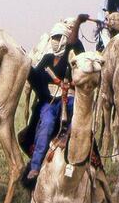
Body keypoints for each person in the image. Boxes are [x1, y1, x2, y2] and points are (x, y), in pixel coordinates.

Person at [26, 14, 90, 180]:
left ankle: (68, 140)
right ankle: (35, 166)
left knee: (76, 114)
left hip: (68, 98)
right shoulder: (47, 58)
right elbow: (36, 77)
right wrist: (25, 64)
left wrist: (77, 23)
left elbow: (73, 42)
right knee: (46, 123)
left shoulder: (71, 55)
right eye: (53, 37)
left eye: (58, 37)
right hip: (50, 101)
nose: (55, 40)